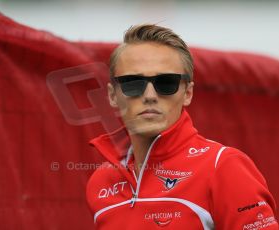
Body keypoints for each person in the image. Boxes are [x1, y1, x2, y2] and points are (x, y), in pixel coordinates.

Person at [86, 24, 278, 229]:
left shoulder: (223, 166)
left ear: (188, 93)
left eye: (166, 82)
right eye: (132, 83)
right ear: (112, 95)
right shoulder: (100, 182)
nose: (150, 96)